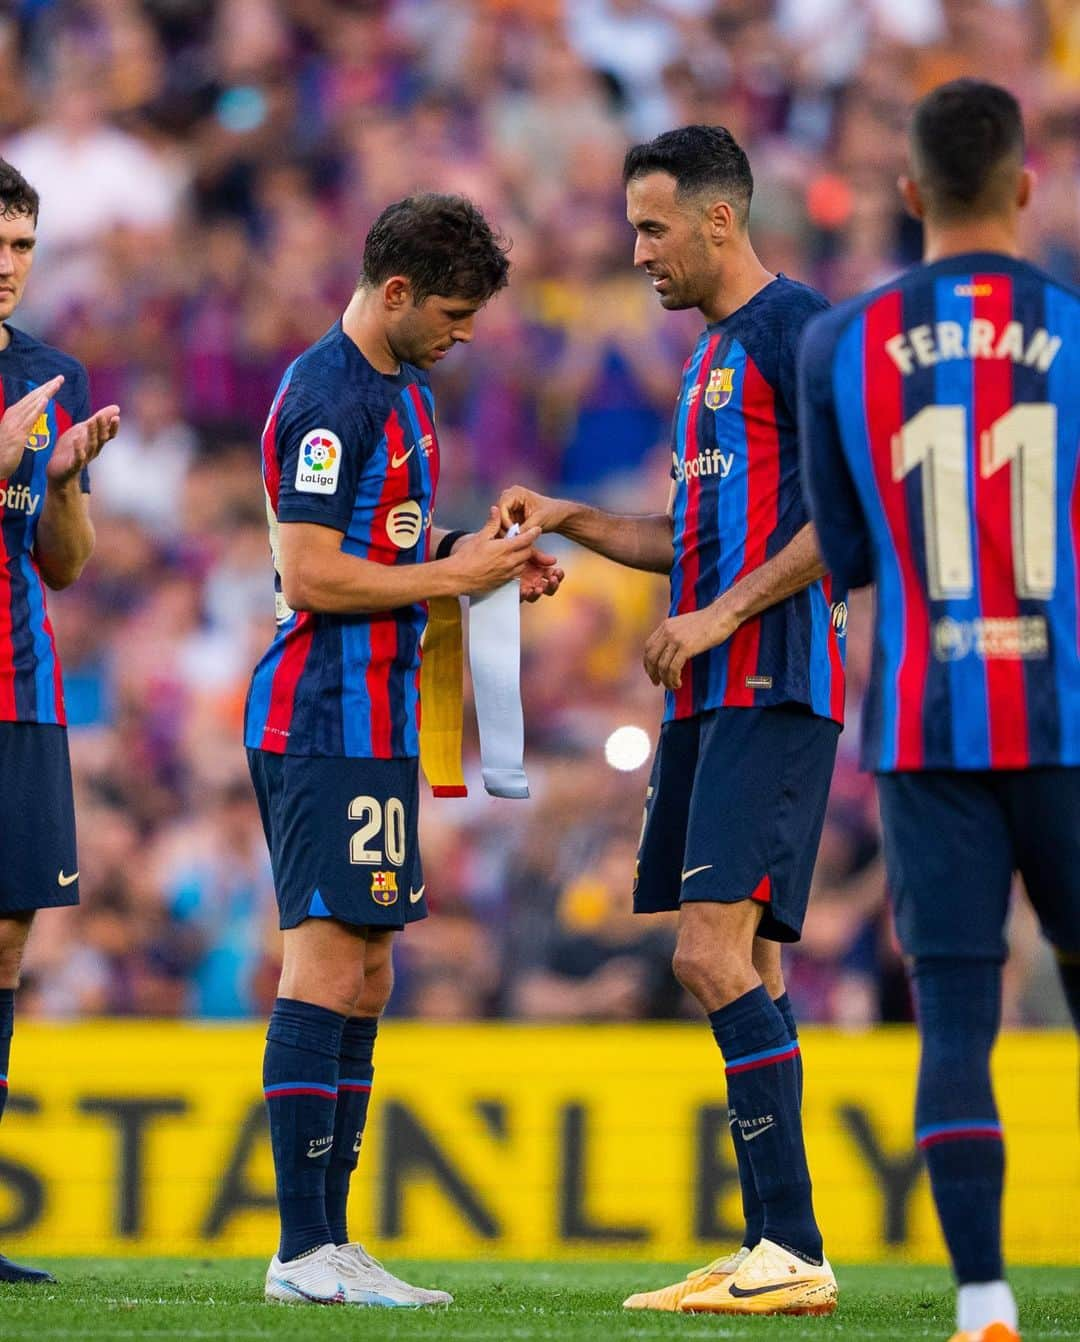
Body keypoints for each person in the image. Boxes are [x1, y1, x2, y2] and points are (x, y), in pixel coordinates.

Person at [500, 125, 845, 1316]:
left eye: (652, 226)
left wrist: (715, 619)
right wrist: (568, 517)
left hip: (769, 681)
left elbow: (844, 526)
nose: (634, 250)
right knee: (742, 961)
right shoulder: (706, 363)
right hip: (712, 688)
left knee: (706, 954)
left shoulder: (795, 329)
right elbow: (682, 544)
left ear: (717, 218)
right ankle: (772, 1242)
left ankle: (792, 1245)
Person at [799, 79, 1080, 1342]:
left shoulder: (836, 346)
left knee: (958, 1016)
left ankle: (981, 1301)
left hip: (925, 729)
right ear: (1025, 187)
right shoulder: (1077, 330)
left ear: (909, 194)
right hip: (1070, 721)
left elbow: (845, 555)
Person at [245, 192, 561, 1309]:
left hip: (380, 720)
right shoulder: (327, 398)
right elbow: (309, 573)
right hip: (322, 714)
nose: (464, 332)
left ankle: (332, 1240)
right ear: (394, 294)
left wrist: (480, 557)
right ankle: (299, 1250)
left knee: (370, 973)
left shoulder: (408, 397)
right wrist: (452, 576)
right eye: (455, 312)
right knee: (325, 963)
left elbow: (387, 544)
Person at [0, 158, 120, 1283]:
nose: (6, 267)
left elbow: (66, 566)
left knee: (5, 940)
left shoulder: (50, 376)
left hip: (20, 691)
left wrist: (68, 474)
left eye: (23, 247)